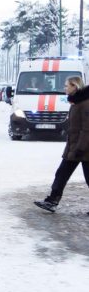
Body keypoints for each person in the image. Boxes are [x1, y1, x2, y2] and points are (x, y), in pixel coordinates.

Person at [34, 76, 89, 213]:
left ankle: (52, 201)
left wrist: (80, 148)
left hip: (84, 149)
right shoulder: (76, 102)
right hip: (74, 148)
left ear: (75, 86)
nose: (64, 88)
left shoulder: (85, 104)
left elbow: (87, 129)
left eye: (66, 86)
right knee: (61, 174)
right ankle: (52, 201)